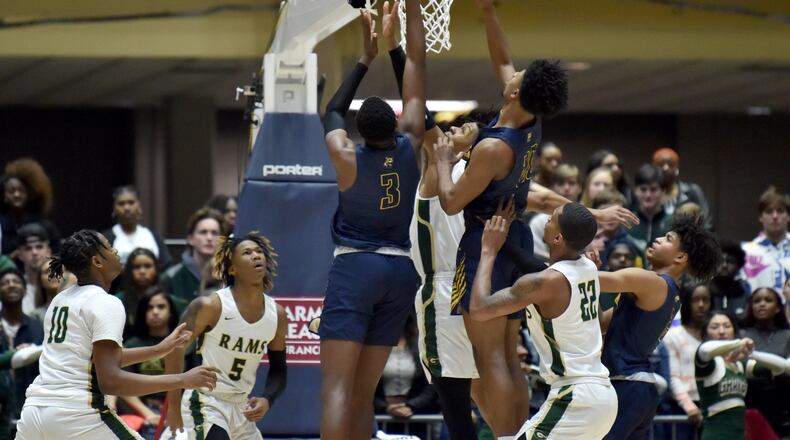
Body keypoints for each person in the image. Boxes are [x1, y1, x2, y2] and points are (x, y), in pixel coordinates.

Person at [431, 1, 569, 436]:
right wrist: (488, 13)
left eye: (517, 76)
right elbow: (503, 61)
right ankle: (516, 433)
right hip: (516, 238)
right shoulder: (530, 119)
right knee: (507, 352)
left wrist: (443, 160)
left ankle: (508, 434)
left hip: (484, 242)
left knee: (489, 355)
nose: (511, 73)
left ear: (514, 92)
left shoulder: (493, 147)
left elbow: (451, 202)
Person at [318, 1, 426, 438]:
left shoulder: (346, 155)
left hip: (356, 265)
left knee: (337, 391)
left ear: (359, 131)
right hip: (400, 270)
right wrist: (394, 48)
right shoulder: (412, 143)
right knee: (364, 393)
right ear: (396, 126)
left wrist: (365, 56)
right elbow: (414, 95)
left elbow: (332, 110)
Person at [16, 229, 218, 440]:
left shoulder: (61, 299)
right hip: (77, 413)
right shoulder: (106, 302)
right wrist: (181, 380)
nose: (116, 251)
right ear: (97, 261)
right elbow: (111, 381)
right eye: (109, 247)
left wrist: (159, 349)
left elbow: (92, 359)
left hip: (34, 412)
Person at [469, 203, 617, 440]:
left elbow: (479, 308)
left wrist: (488, 250)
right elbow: (598, 323)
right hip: (603, 396)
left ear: (558, 238)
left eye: (552, 219)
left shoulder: (547, 282)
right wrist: (505, 242)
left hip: (575, 397)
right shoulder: (588, 267)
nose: (546, 219)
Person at [592, 214, 721, 440]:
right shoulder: (670, 293)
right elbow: (602, 322)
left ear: (680, 256)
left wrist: (580, 264)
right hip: (639, 388)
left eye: (668, 238)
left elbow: (591, 279)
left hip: (627, 383)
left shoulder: (652, 282)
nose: (658, 239)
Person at [165, 232, 288, 440]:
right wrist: (173, 407)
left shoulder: (277, 315)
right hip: (206, 401)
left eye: (259, 251)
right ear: (233, 269)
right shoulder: (210, 306)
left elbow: (279, 370)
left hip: (242, 407)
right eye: (247, 253)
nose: (256, 255)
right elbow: (173, 352)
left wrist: (267, 399)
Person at [695, 311, 790, 440]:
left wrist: (752, 353)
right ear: (705, 333)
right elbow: (704, 349)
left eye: (727, 326)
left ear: (734, 331)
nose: (722, 331)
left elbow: (782, 367)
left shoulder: (739, 364)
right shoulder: (708, 363)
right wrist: (738, 344)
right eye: (715, 327)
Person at [117, 290, 181, 439]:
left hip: (178, 408)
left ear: (171, 312)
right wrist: (148, 414)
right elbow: (121, 385)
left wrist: (176, 410)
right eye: (150, 308)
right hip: (141, 412)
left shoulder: (182, 344)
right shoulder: (132, 345)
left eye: (161, 307)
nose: (155, 312)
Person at [374, 313, 439, 439]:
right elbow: (363, 384)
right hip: (381, 415)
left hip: (416, 416)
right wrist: (385, 407)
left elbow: (431, 383)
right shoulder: (374, 345)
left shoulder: (421, 343)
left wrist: (411, 406)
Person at [741, 286, 790, 436]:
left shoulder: (787, 335)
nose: (762, 304)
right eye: (757, 301)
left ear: (778, 308)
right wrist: (776, 367)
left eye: (768, 300)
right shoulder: (742, 335)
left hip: (783, 404)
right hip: (750, 402)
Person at [663, 283, 712, 431]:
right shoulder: (674, 336)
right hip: (683, 408)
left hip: (713, 404)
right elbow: (673, 377)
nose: (701, 305)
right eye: (695, 300)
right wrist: (689, 407)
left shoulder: (716, 334)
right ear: (686, 302)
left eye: (705, 300)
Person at [160, 207, 222, 313]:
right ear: (190, 239)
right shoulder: (171, 277)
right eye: (203, 232)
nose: (209, 238)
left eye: (214, 233)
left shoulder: (229, 277)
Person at [0, 267, 45, 414]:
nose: (11, 285)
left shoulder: (38, 327)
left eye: (16, 281)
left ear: (25, 290)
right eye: (5, 283)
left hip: (31, 406)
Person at [102, 186, 172, 270]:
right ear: (114, 208)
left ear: (139, 205)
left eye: (131, 202)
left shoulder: (153, 235)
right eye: (121, 203)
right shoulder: (106, 238)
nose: (126, 208)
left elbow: (166, 266)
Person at [0, 158, 59, 256]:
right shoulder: (1, 227)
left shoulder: (46, 227)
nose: (16, 194)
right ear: (4, 195)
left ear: (30, 193)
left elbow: (57, 257)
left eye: (21, 190)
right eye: (12, 190)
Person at [740, 186, 790, 293]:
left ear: (788, 216)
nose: (775, 216)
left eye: (780, 211)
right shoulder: (746, 252)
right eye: (769, 211)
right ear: (760, 217)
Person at [652, 147, 712, 230]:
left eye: (670, 164)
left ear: (676, 167)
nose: (665, 168)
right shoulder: (647, 195)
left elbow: (707, 223)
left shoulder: (692, 192)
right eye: (660, 164)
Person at [117, 248, 161, 338]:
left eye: (147, 266)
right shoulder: (118, 301)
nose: (142, 272)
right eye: (136, 267)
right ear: (129, 271)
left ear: (156, 269)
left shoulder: (167, 299)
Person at [628, 164, 671, 252]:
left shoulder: (672, 223)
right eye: (643, 189)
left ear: (663, 191)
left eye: (653, 189)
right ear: (635, 191)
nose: (648, 195)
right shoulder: (626, 222)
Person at [14, 223, 52, 314]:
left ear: (48, 251)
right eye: (28, 248)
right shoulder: (15, 289)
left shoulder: (60, 285)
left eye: (39, 247)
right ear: (19, 254)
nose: (34, 252)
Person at [709, 240, 750, 321]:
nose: (724, 265)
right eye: (720, 261)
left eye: (730, 261)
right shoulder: (704, 291)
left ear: (738, 265)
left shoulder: (744, 292)